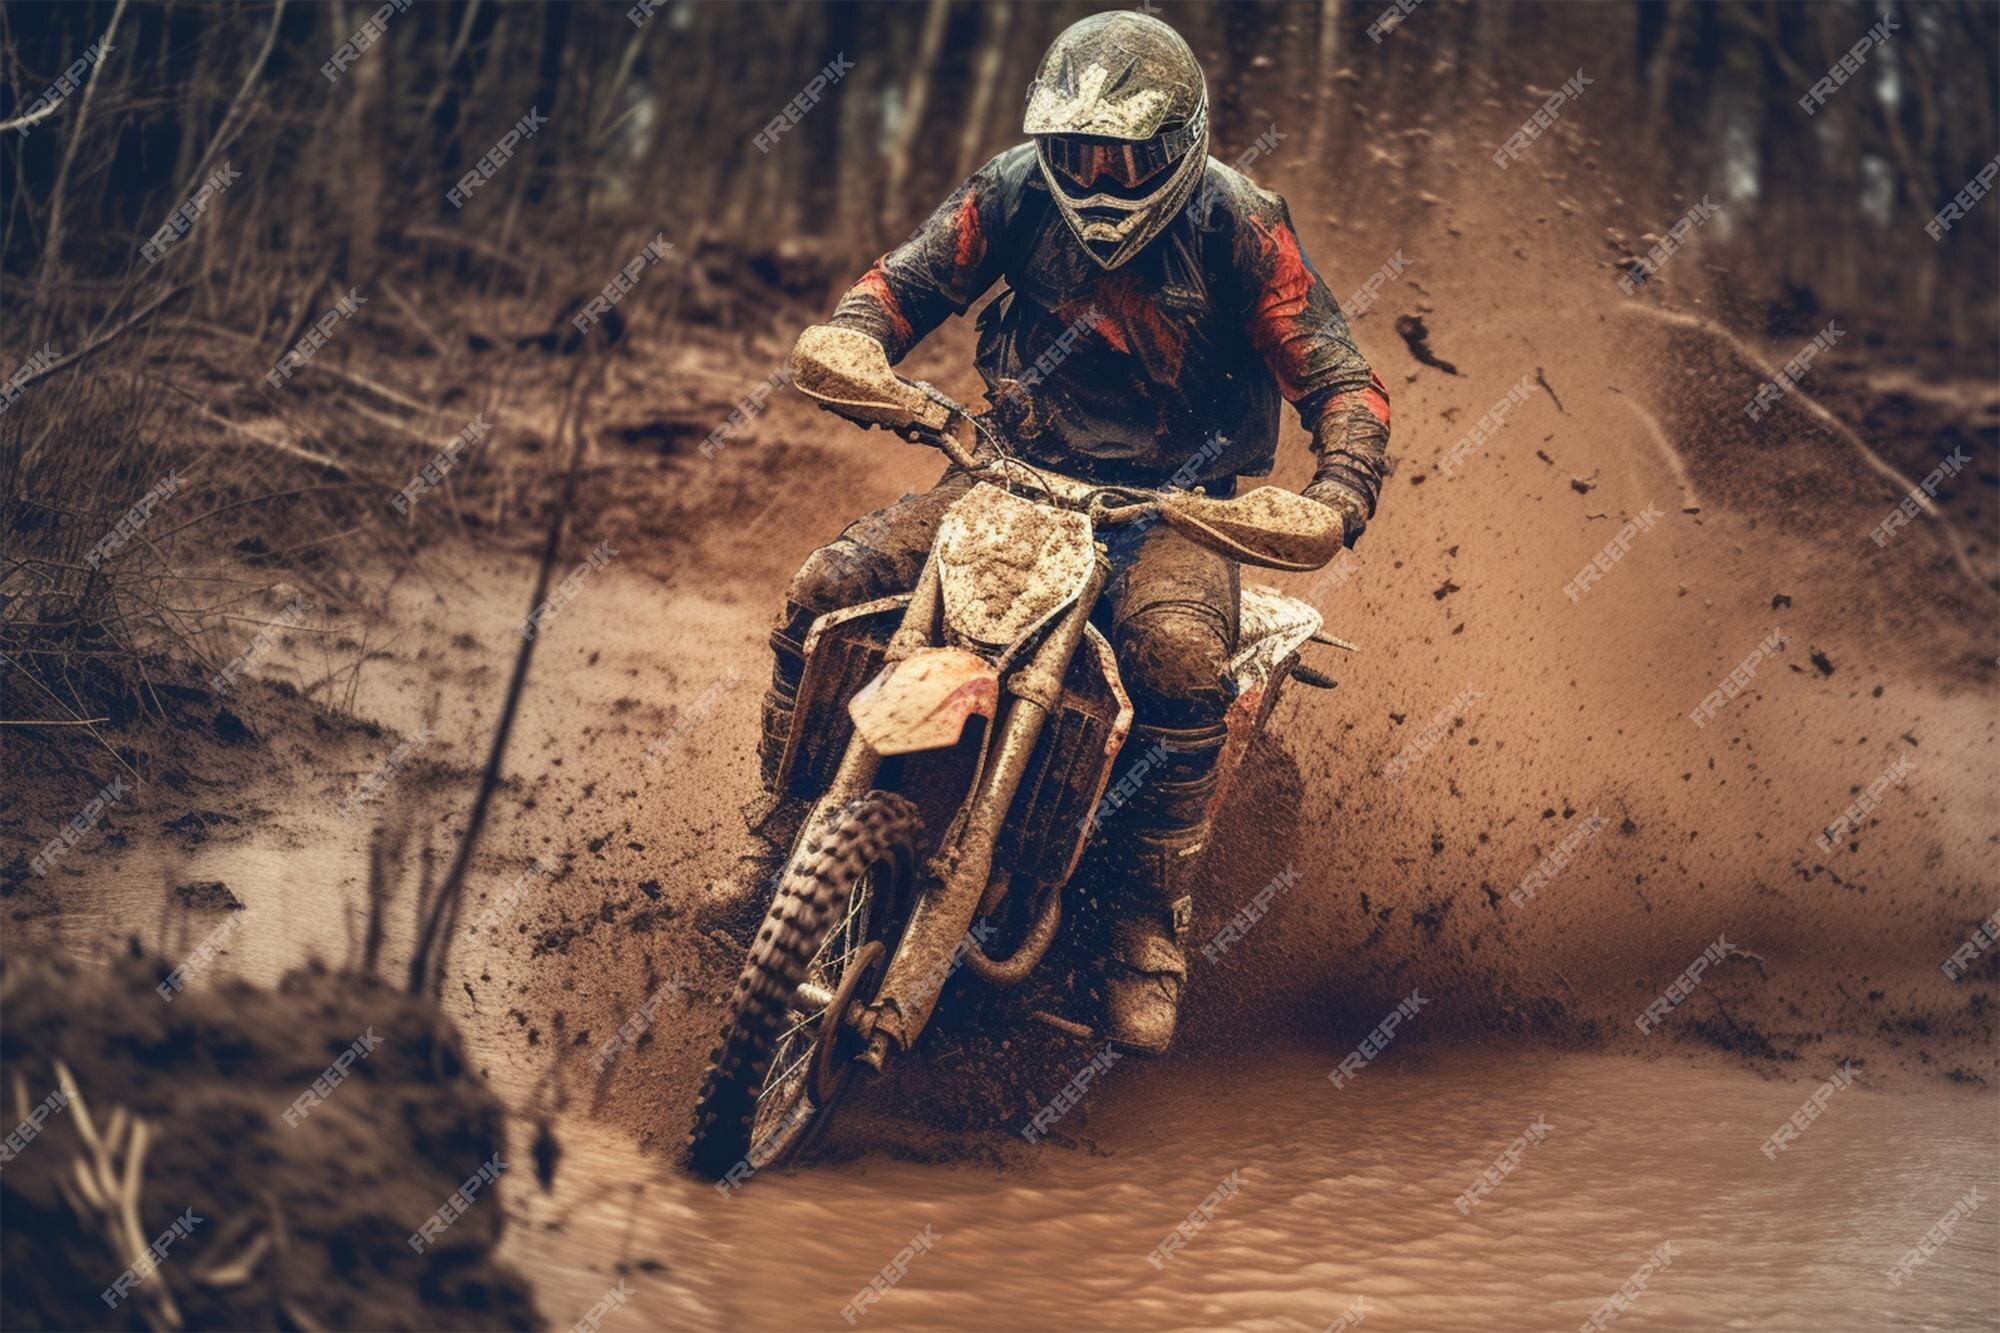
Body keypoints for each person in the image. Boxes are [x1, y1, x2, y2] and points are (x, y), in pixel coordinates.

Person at [756, 10, 1390, 1054]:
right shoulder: (1009, 189)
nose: (1095, 180)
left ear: (1177, 149)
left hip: (1173, 506)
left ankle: (1143, 923)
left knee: (1179, 659)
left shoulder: (1238, 223)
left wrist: (1336, 494)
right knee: (832, 583)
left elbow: (1341, 377)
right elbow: (897, 286)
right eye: (1075, 154)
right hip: (1005, 471)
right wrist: (854, 339)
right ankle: (776, 830)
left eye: (1122, 157)